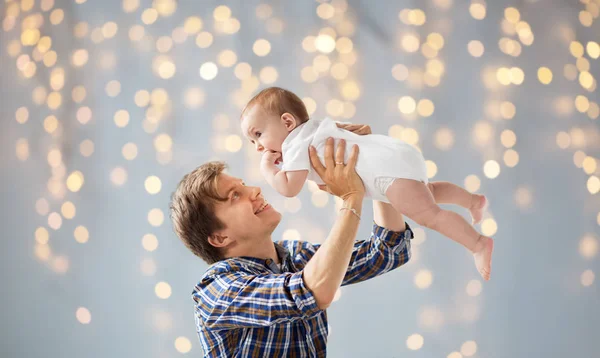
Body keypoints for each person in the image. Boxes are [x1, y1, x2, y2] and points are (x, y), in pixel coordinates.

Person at [170, 137, 414, 357]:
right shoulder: (216, 290)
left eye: (243, 185)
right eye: (234, 195)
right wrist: (350, 199)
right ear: (219, 238)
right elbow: (311, 292)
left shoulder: (296, 257)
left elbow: (386, 253)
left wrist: (374, 172)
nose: (254, 190)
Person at [240, 87, 493, 280]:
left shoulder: (294, 145)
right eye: (253, 142)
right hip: (395, 154)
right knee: (430, 191)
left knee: (430, 215)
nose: (259, 147)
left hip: (386, 174)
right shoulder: (315, 128)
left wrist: (268, 170)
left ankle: (478, 243)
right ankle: (473, 200)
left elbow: (289, 188)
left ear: (287, 122)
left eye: (258, 135)